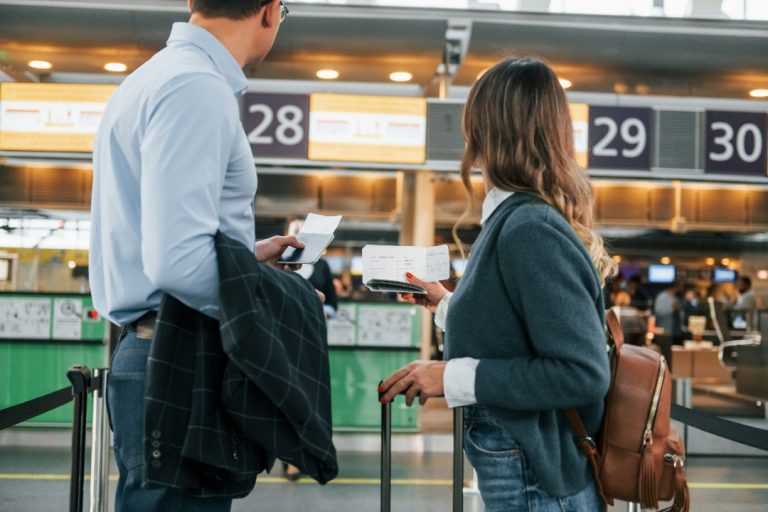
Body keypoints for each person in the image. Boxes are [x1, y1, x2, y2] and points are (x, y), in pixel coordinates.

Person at [379, 58, 615, 511]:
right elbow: (512, 335)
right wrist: (446, 303)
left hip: (537, 480)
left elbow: (581, 373)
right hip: (527, 471)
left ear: (486, 132)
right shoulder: (514, 220)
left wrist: (451, 376)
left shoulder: (529, 228)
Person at [89, 1, 298, 510]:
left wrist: (244, 258)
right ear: (270, 11)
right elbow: (174, 263)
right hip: (181, 357)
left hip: (159, 348)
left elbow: (163, 241)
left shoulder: (156, 78)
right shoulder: (195, 87)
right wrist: (271, 295)